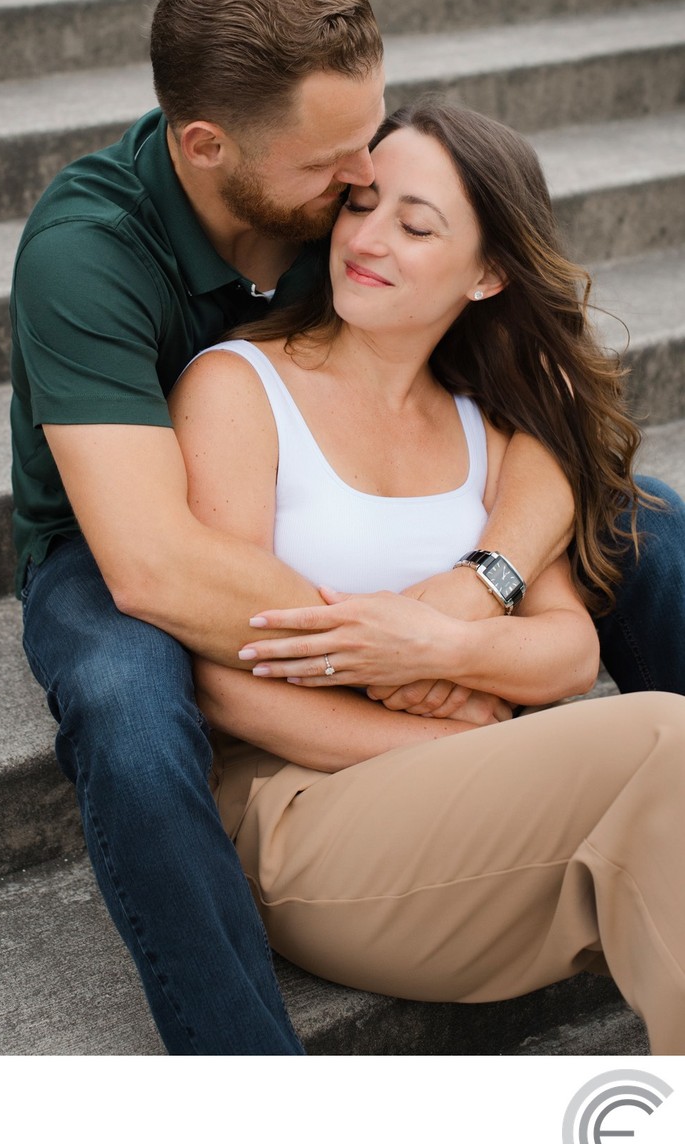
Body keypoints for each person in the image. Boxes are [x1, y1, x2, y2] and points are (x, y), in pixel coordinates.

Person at [10, 0, 685, 1056]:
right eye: (338, 170)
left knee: (639, 516)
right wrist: (402, 675)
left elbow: (555, 390)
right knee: (130, 705)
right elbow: (158, 565)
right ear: (208, 146)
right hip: (119, 526)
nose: (362, 187)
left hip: (393, 590)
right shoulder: (94, 255)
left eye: (371, 148)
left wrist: (463, 606)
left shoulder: (358, 222)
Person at [169, 98, 685, 1053]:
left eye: (415, 226)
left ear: (487, 273)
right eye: (360, 206)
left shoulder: (484, 425)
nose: (367, 239)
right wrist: (432, 733)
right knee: (670, 738)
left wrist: (441, 643)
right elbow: (224, 685)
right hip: (300, 818)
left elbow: (567, 650)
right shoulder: (238, 389)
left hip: (465, 810)